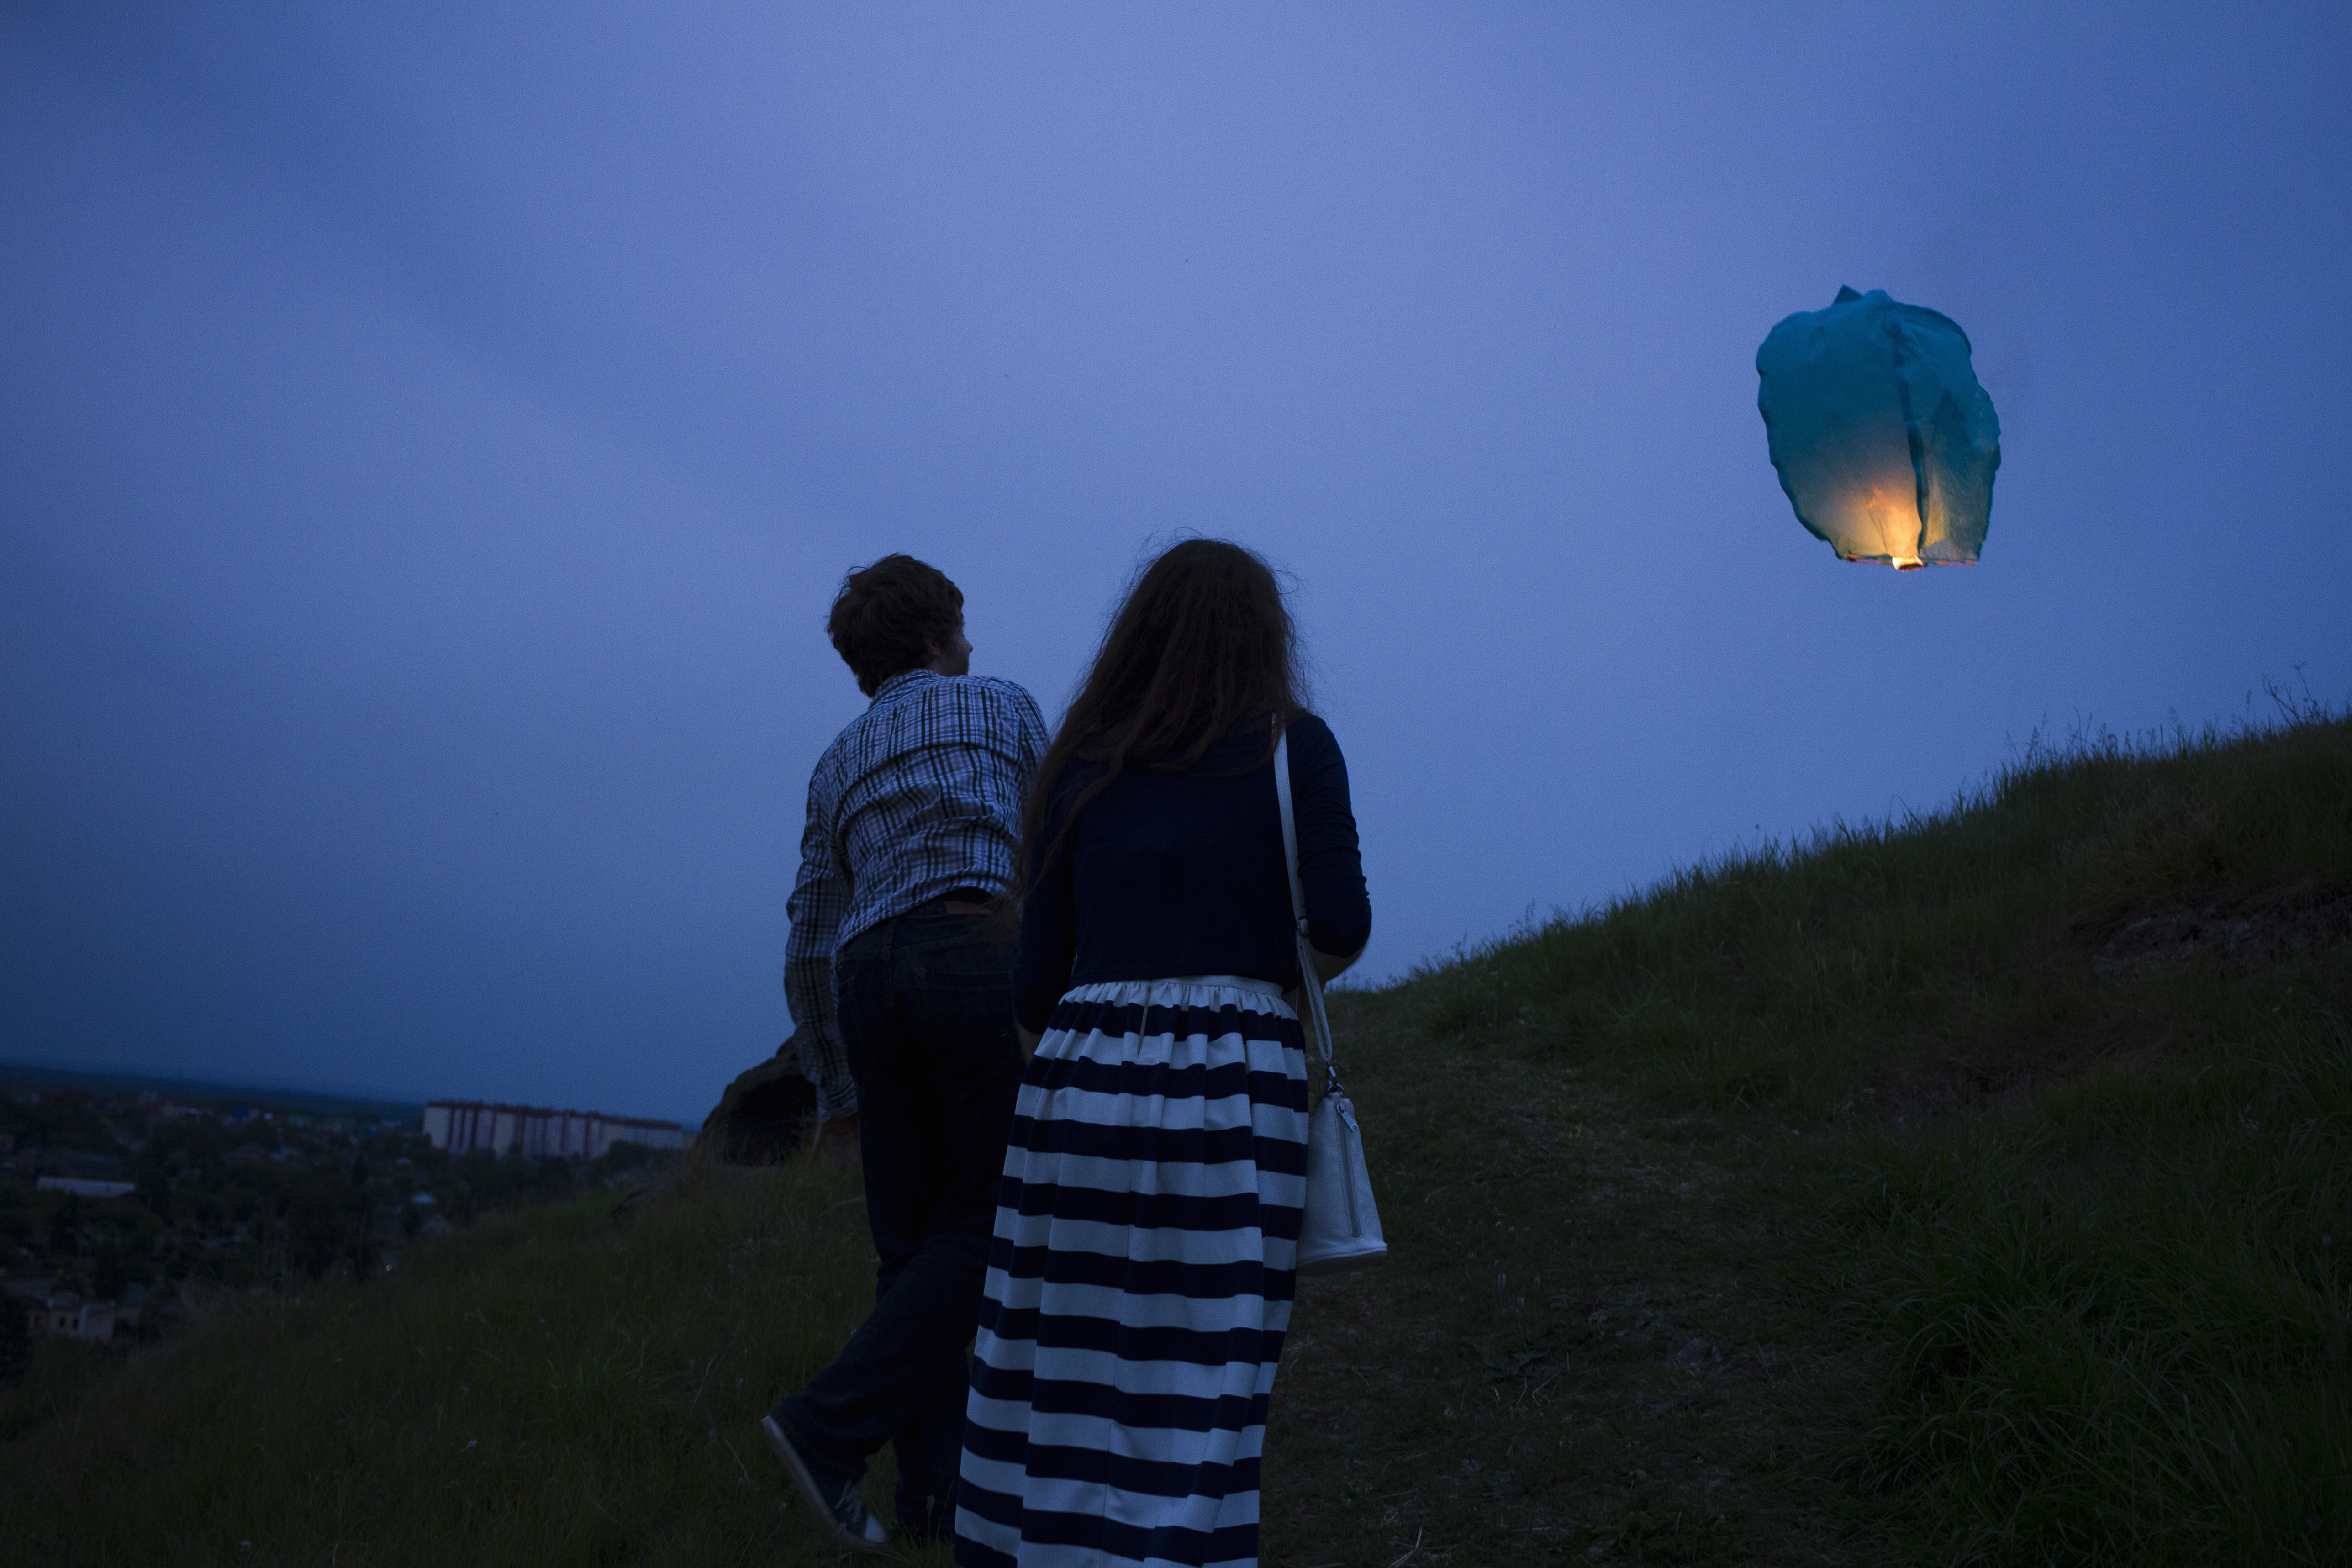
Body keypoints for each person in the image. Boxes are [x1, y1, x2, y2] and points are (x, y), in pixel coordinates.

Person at [956, 539, 1371, 1568]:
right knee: (1208, 1369)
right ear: (1265, 635)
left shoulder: (1082, 760)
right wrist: (1258, 987)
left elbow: (1033, 981)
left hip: (1082, 1071)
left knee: (1061, 1367)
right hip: (1237, 1080)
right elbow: (1343, 922)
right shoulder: (1296, 747)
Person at [765, 553, 1049, 1550]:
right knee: (990, 1224)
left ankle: (936, 1503)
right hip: (971, 949)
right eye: (961, 627)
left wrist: (836, 1090)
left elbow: (807, 935)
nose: (972, 645)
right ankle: (823, 1429)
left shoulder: (835, 761)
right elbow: (1052, 852)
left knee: (912, 1246)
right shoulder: (1005, 708)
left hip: (868, 977)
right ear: (934, 636)